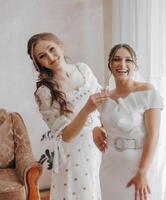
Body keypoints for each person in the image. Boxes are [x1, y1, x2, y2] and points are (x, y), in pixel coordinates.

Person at [27, 32, 107, 200]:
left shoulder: (83, 69)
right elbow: (66, 136)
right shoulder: (45, 92)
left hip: (98, 144)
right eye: (42, 56)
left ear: (60, 45)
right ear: (39, 63)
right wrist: (86, 109)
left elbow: (103, 103)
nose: (50, 56)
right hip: (74, 153)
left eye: (51, 49)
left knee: (96, 191)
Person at [93, 43, 164, 200]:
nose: (122, 65)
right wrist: (97, 129)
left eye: (128, 60)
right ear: (110, 65)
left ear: (135, 65)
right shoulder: (105, 97)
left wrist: (142, 172)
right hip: (110, 167)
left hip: (139, 166)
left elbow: (153, 135)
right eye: (116, 59)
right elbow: (109, 126)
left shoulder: (147, 91)